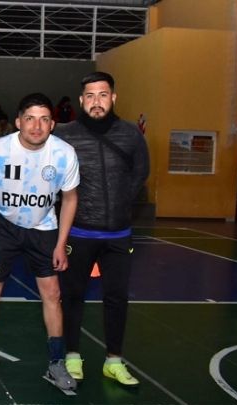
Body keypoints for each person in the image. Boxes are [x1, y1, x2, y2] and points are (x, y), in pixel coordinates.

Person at [0, 93, 79, 391]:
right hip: (2, 226)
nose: (37, 126)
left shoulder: (64, 153)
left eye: (44, 119)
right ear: (18, 122)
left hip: (43, 228)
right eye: (30, 118)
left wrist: (61, 244)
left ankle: (56, 363)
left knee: (53, 294)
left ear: (52, 124)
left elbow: (70, 199)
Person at [54, 71, 150, 387]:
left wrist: (120, 204)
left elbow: (140, 174)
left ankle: (113, 360)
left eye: (103, 95)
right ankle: (71, 356)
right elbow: (53, 178)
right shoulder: (65, 135)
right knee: (72, 297)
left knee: (117, 298)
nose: (97, 102)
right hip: (79, 233)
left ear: (113, 98)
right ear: (81, 101)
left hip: (118, 234)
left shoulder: (131, 135)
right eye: (90, 96)